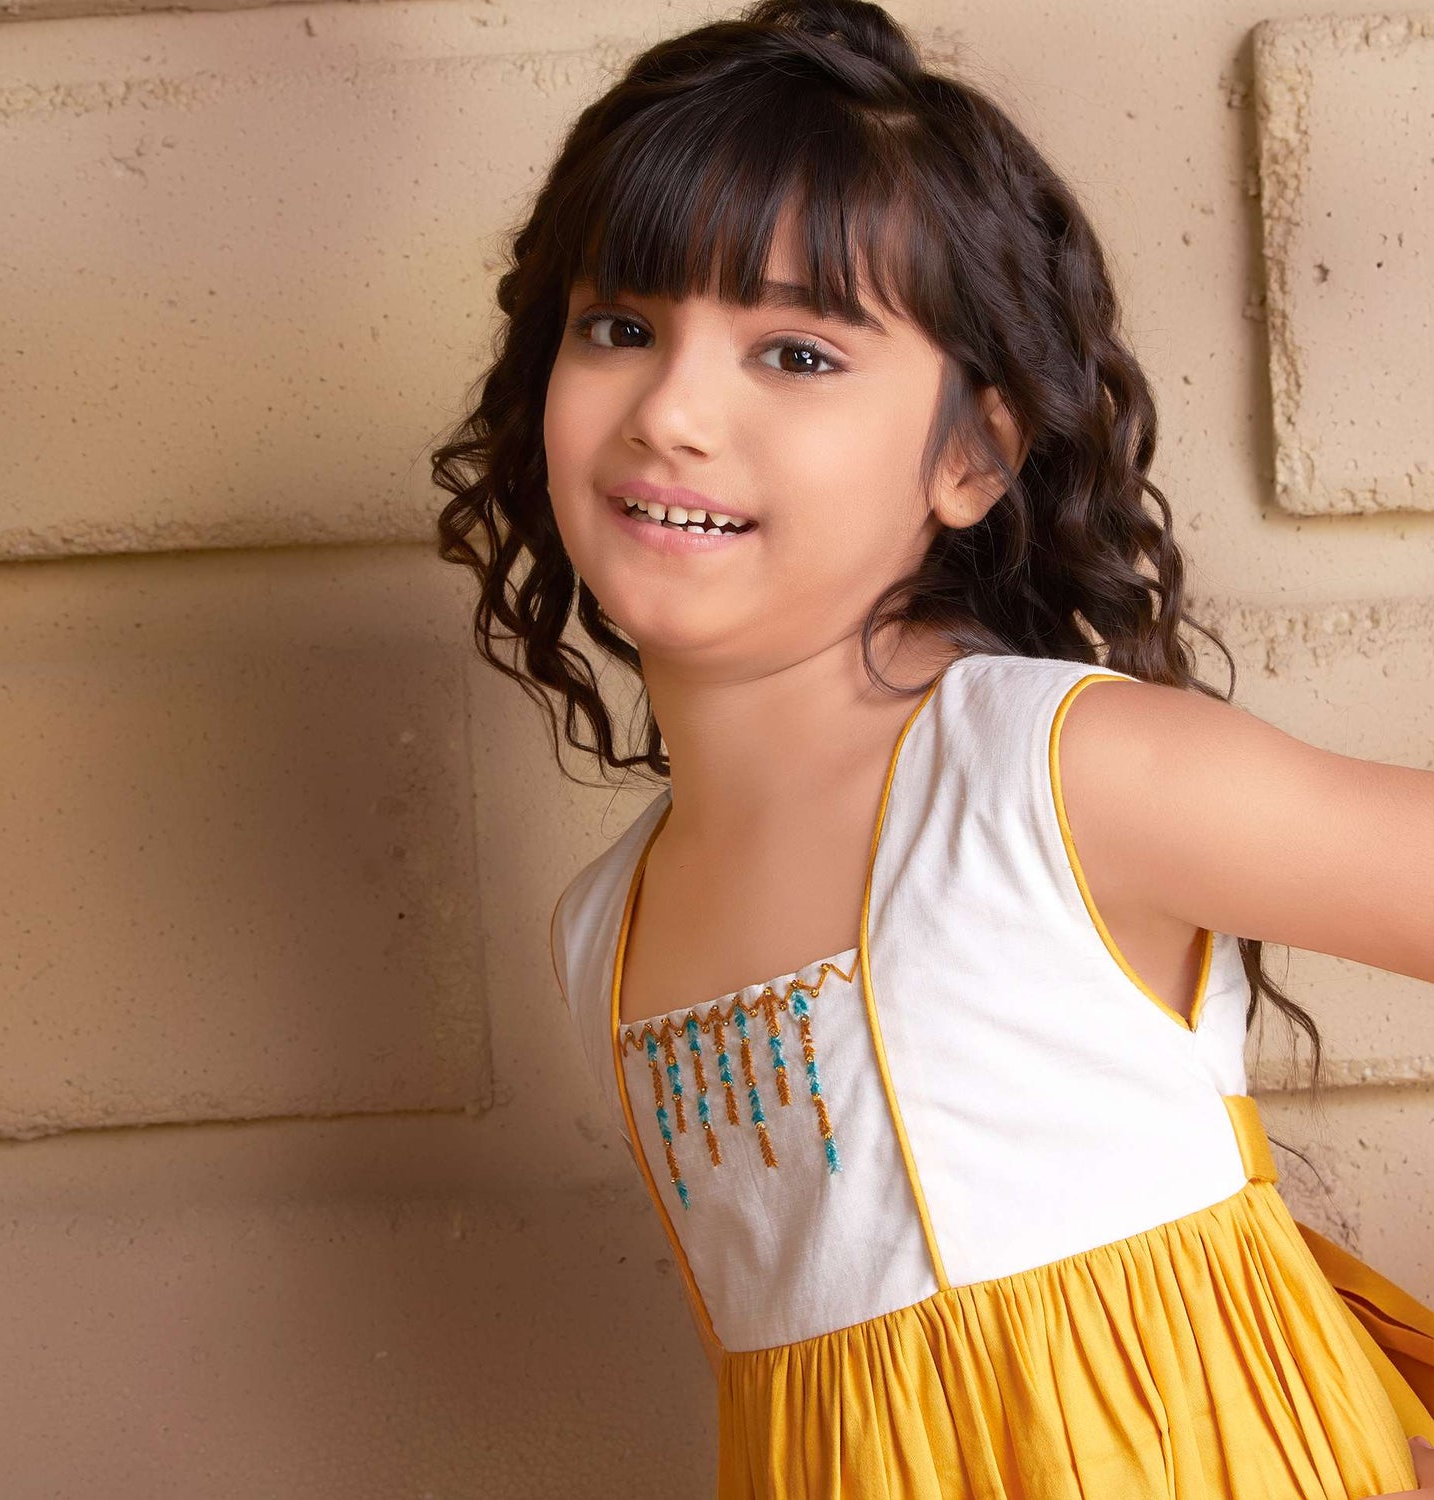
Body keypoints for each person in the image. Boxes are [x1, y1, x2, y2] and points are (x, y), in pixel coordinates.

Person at [431, 0, 1434, 1493]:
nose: (673, 411)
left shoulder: (1062, 777)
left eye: (796, 351)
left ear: (972, 453)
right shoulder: (604, 934)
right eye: (620, 328)